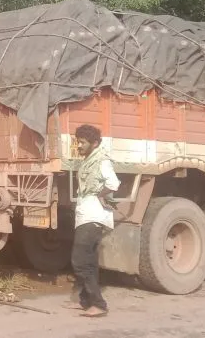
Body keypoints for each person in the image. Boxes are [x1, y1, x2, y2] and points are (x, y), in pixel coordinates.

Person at [65, 124, 120, 318]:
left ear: (94, 143)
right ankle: (86, 301)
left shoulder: (102, 160)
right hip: (86, 215)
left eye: (82, 142)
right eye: (78, 142)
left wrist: (100, 195)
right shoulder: (89, 159)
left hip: (93, 216)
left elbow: (113, 183)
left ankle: (99, 304)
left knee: (79, 260)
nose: (79, 146)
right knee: (89, 260)